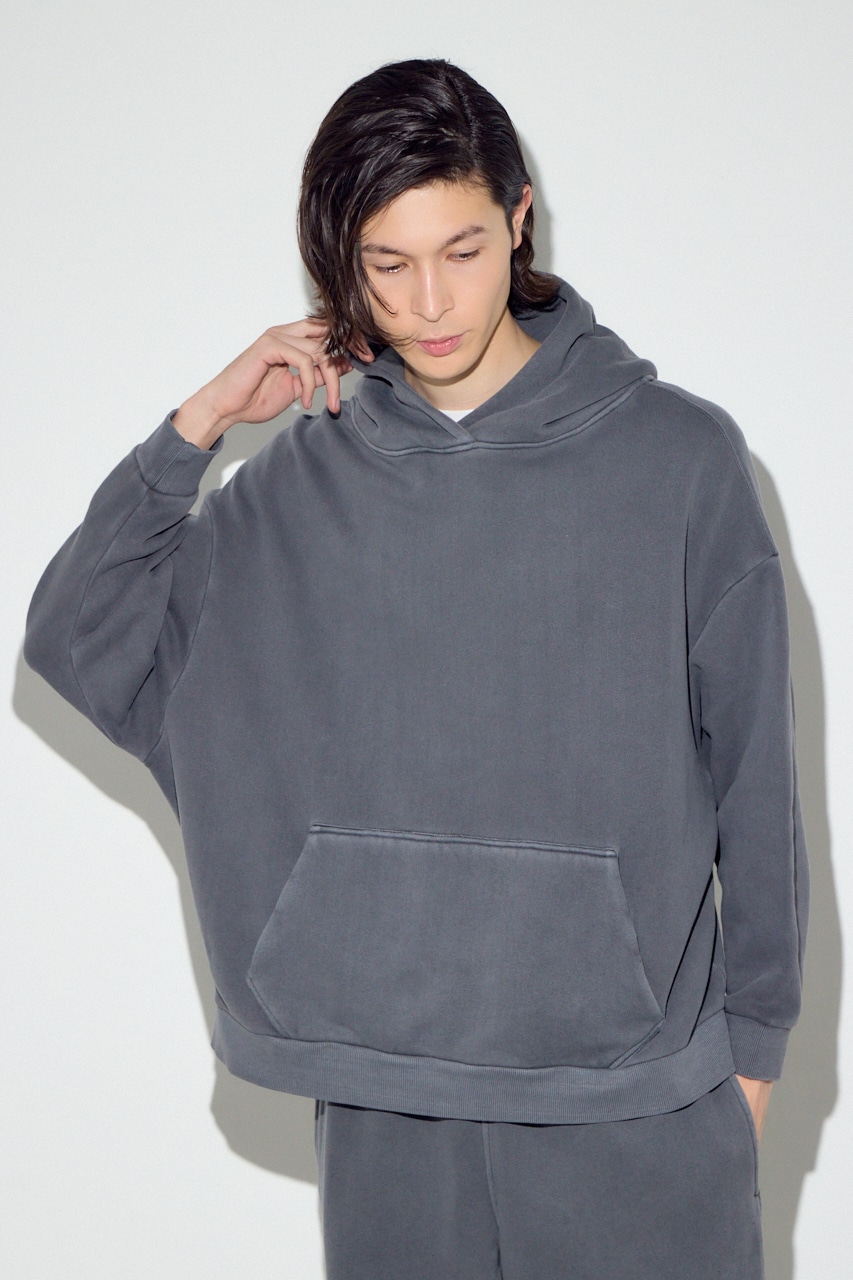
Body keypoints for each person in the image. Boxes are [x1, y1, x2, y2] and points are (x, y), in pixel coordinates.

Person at [24, 57, 808, 1279]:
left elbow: (756, 772)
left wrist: (754, 1048)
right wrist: (199, 425)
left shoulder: (680, 459)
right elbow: (80, 639)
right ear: (339, 264)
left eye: (461, 250)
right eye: (386, 265)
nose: (429, 301)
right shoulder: (293, 485)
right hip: (386, 1096)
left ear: (518, 219)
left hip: (635, 1098)